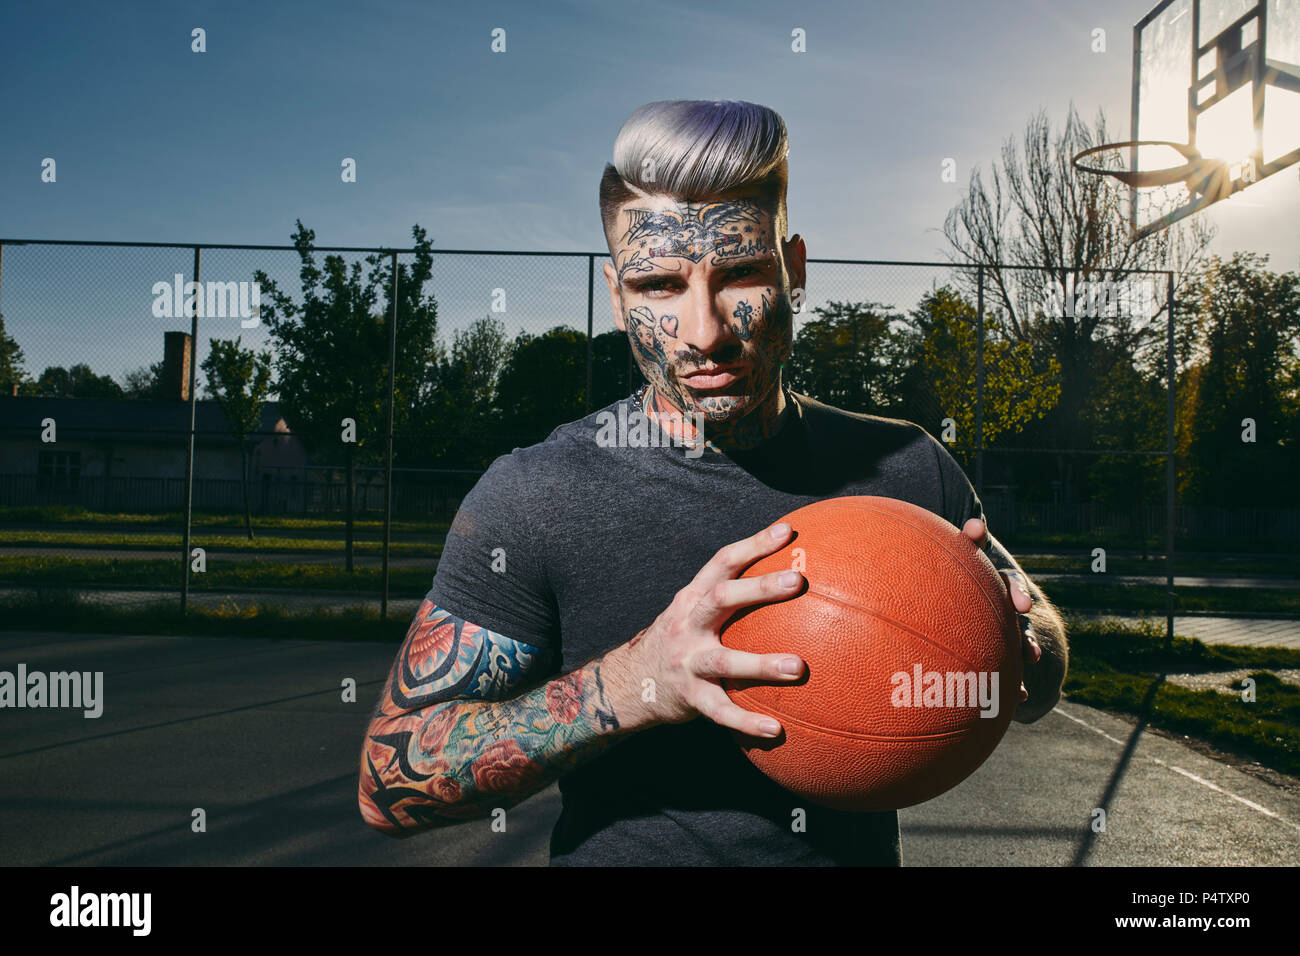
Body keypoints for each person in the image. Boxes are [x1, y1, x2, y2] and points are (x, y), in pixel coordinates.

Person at [358, 99, 1067, 865]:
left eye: (739, 274)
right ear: (616, 293)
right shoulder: (536, 494)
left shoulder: (905, 468)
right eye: (658, 285)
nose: (704, 331)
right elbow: (389, 781)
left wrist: (1015, 641)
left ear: (793, 271)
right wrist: (634, 684)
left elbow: (1043, 667)